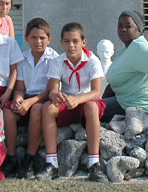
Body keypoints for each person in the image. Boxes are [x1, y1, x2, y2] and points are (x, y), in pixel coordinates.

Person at [35, 22, 108, 183]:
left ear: (84, 42)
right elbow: (53, 89)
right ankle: (51, 163)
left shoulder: (92, 61)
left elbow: (96, 92)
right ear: (61, 43)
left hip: (87, 101)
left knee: (90, 106)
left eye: (75, 41)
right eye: (66, 41)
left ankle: (94, 163)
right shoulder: (57, 61)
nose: (71, 45)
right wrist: (56, 96)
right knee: (48, 107)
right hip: (68, 101)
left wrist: (77, 100)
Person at [1, 18, 59, 178]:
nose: (38, 41)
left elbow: (50, 90)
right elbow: (19, 88)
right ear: (26, 38)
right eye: (33, 37)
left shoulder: (54, 58)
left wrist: (29, 102)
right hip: (27, 98)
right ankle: (11, 157)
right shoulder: (22, 59)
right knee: (8, 111)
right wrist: (19, 98)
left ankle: (29, 157)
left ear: (49, 39)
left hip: (44, 99)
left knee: (37, 109)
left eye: (42, 38)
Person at [102, 10, 148, 122]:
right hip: (125, 100)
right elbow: (114, 83)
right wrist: (101, 102)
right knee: (91, 107)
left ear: (139, 30)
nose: (123, 29)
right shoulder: (126, 48)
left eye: (128, 26)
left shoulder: (139, 46)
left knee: (86, 110)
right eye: (120, 26)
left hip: (137, 106)